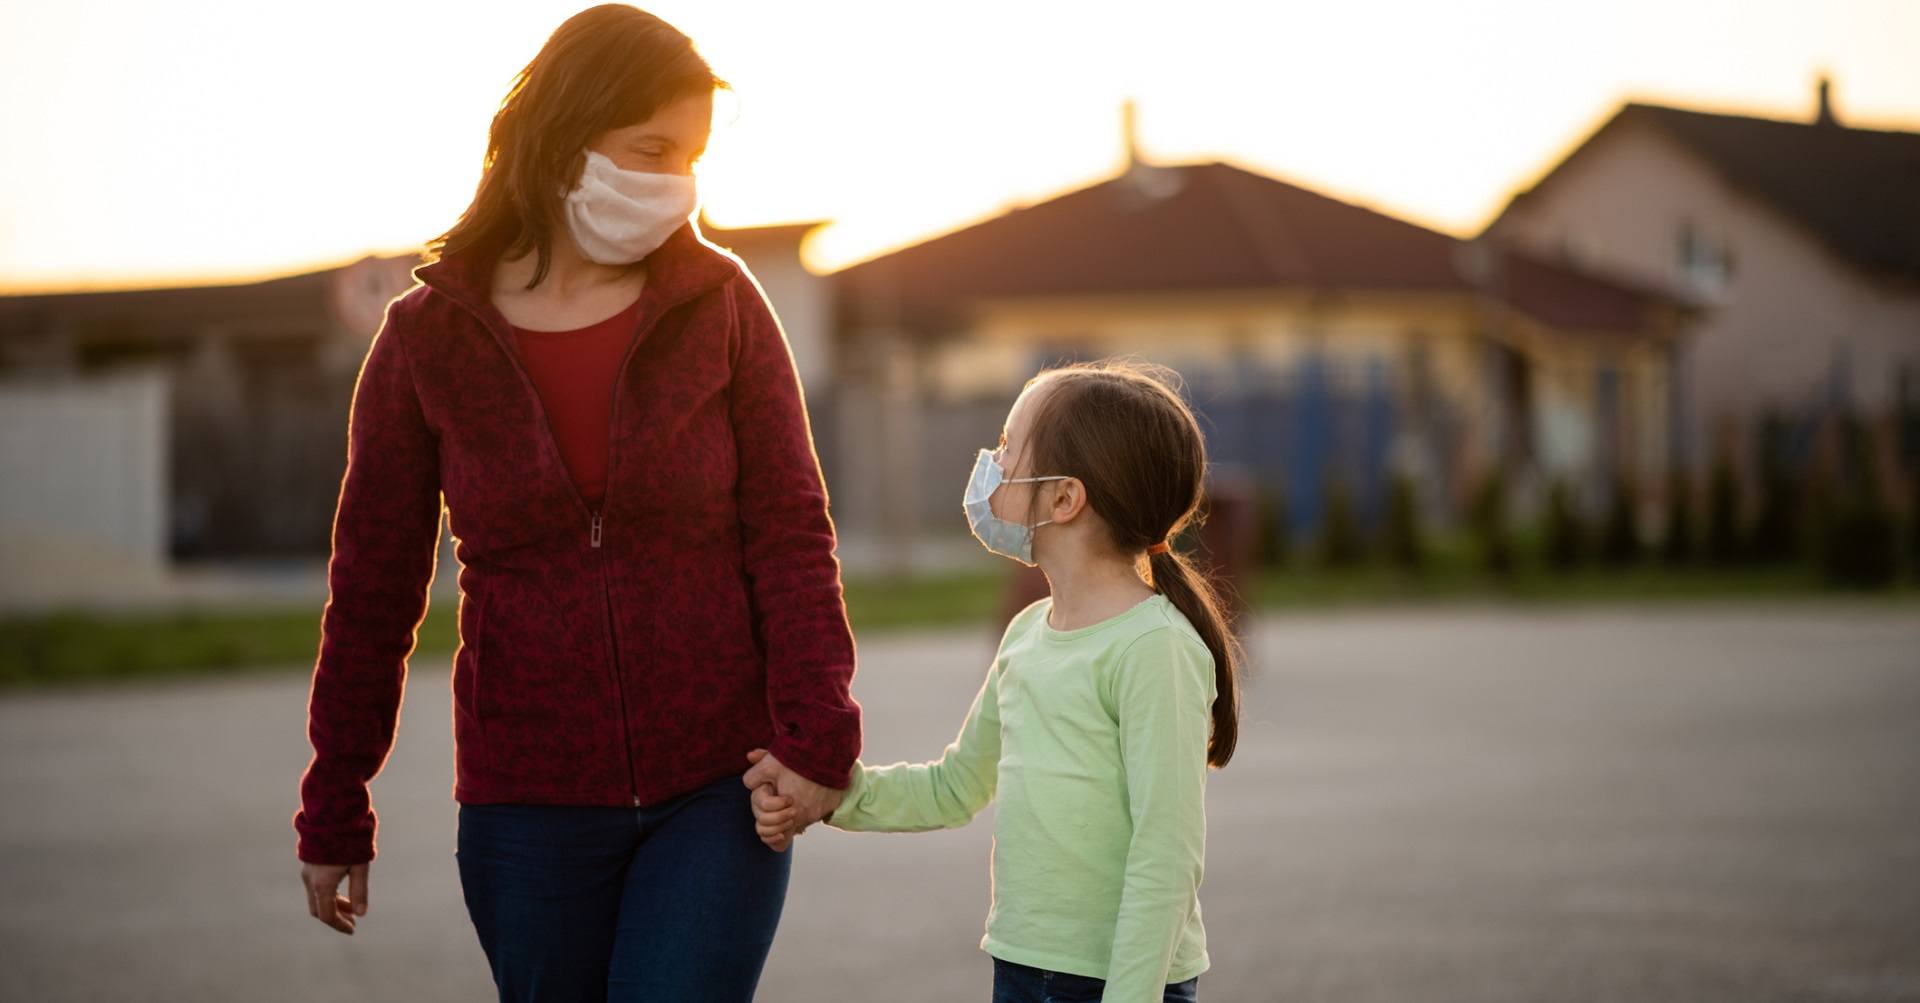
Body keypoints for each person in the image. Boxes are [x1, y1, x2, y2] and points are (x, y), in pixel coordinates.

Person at [292, 6, 857, 1000]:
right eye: (650, 150)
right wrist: (336, 801)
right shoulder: (424, 341)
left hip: (719, 791)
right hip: (526, 809)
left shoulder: (723, 306)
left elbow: (791, 535)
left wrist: (819, 738)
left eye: (691, 157)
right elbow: (373, 590)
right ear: (563, 134)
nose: (675, 182)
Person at [749, 359, 1242, 1002]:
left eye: (1009, 448)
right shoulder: (1027, 634)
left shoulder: (1154, 649)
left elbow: (1167, 854)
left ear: (1064, 498)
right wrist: (830, 794)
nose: (992, 463)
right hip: (1021, 964)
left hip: (1118, 983)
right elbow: (955, 787)